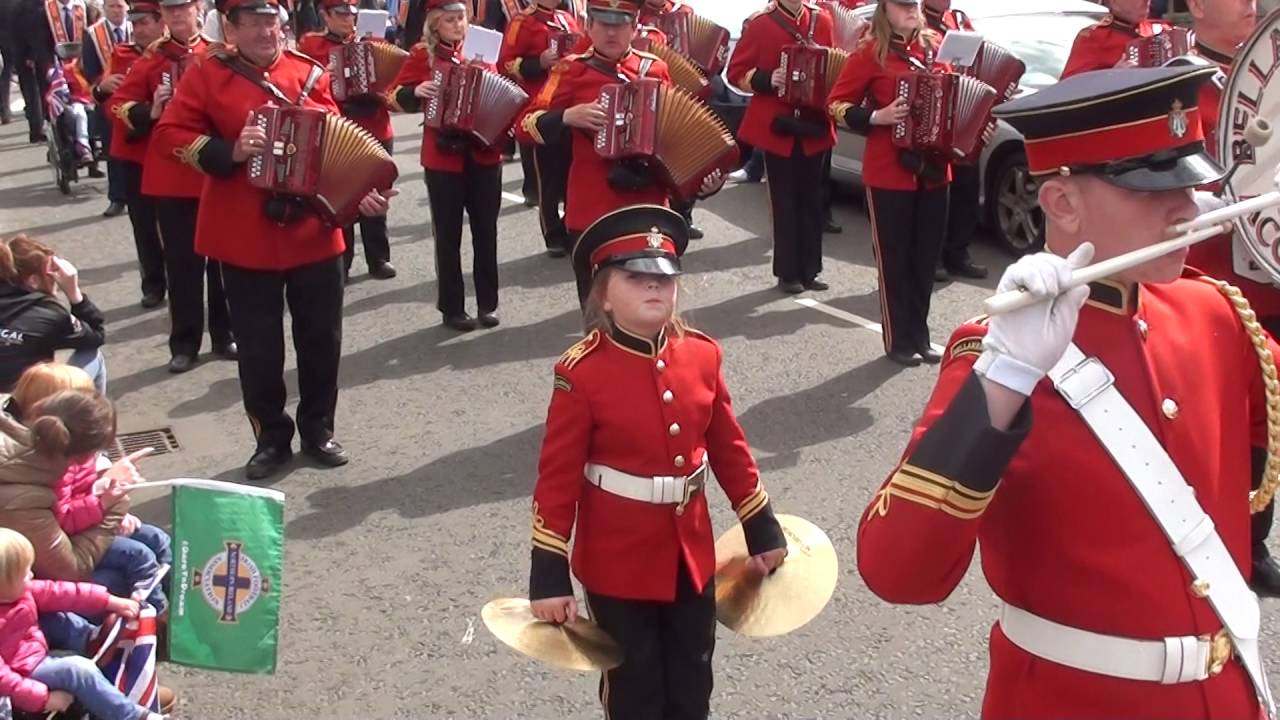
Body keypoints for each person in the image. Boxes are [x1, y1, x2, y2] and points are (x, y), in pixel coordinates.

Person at [857, 65, 1275, 719]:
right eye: (1153, 189)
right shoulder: (998, 353)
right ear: (1061, 204)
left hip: (1228, 693)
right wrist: (1007, 379)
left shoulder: (1212, 313)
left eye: (1192, 184)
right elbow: (897, 571)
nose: (1188, 208)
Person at [529, 205, 788, 720]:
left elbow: (728, 447)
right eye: (635, 278)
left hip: (689, 554)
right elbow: (557, 477)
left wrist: (760, 524)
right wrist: (548, 570)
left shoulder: (702, 355)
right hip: (616, 560)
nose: (655, 289)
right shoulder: (581, 372)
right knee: (635, 688)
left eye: (665, 280)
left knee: (694, 678)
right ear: (603, 293)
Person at [152, 0, 396, 480]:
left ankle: (319, 429)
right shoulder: (207, 74)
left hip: (313, 231)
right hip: (246, 233)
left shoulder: (308, 73)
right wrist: (231, 150)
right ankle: (270, 437)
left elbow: (334, 142)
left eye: (274, 22)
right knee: (261, 348)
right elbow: (168, 134)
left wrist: (360, 197)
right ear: (231, 28)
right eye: (257, 23)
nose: (269, 31)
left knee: (321, 339)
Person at [515, 0, 723, 305]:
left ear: (634, 26)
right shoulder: (570, 68)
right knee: (598, 305)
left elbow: (671, 135)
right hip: (595, 204)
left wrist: (701, 183)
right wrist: (566, 116)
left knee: (649, 303)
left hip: (649, 204)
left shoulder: (656, 68)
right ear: (589, 26)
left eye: (620, 24)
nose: (611, 32)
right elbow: (524, 125)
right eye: (603, 23)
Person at [1180, 0, 1279, 593]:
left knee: (1266, 422)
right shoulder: (1176, 78)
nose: (1252, 6)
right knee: (1207, 422)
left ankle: (1251, 540)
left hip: (1270, 276)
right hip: (1212, 284)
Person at [111, 0, 238, 375]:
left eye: (184, 9)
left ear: (198, 11)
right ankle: (184, 342)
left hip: (215, 171)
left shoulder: (220, 56)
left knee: (222, 261)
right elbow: (119, 105)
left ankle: (224, 332)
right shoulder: (152, 58)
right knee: (182, 263)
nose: (178, 16)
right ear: (163, 17)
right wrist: (150, 111)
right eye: (170, 12)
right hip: (173, 174)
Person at [3, 365, 169, 633]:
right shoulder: (28, 485)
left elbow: (69, 507)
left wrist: (103, 490)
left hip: (62, 542)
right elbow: (68, 567)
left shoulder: (48, 457)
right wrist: (112, 500)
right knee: (131, 565)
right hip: (37, 572)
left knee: (153, 539)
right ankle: (153, 628)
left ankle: (177, 615)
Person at [827, 0, 948, 366]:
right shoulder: (870, 53)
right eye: (903, 5)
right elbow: (836, 105)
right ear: (885, 10)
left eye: (914, 4)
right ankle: (898, 341)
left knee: (926, 258)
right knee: (895, 259)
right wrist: (877, 116)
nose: (911, 9)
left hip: (935, 171)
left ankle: (921, 336)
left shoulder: (937, 46)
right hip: (889, 171)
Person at [389, 0, 502, 331]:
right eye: (450, 20)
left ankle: (488, 303)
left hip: (483, 153)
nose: (458, 25)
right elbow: (392, 95)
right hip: (443, 157)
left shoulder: (482, 47)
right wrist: (415, 92)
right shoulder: (422, 54)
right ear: (435, 24)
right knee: (448, 234)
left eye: (461, 18)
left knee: (486, 231)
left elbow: (501, 87)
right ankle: (452, 307)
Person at [727, 0, 836, 295]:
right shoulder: (761, 24)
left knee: (812, 200)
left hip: (813, 124)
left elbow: (836, 63)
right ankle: (788, 273)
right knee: (785, 201)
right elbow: (735, 72)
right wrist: (766, 78)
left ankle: (810, 269)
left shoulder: (822, 21)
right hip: (777, 124)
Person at [0, 528, 160, 720]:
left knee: (55, 614)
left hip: (26, 653)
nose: (33, 575)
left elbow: (63, 593)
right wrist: (44, 699)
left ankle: (92, 640)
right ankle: (132, 716)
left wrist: (109, 601)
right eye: (25, 574)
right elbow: (4, 680)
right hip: (21, 673)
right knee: (77, 670)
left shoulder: (18, 593)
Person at [298, 0, 398, 282]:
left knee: (377, 194)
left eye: (351, 14)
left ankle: (378, 257)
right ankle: (343, 259)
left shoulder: (370, 40)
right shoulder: (311, 46)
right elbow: (301, 84)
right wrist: (325, 76)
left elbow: (392, 82)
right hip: (338, 128)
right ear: (325, 16)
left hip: (375, 125)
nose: (348, 20)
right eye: (341, 14)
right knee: (340, 196)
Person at [498, 0, 580, 257]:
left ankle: (572, 225)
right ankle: (553, 234)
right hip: (539, 105)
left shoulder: (567, 19)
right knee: (548, 179)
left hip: (569, 102)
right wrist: (539, 62)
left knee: (571, 172)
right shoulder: (522, 22)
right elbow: (506, 63)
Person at [104, 0, 166, 310]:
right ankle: (153, 283)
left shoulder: (172, 54)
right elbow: (111, 102)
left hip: (167, 152)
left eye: (145, 23)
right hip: (133, 150)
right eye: (135, 23)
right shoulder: (122, 54)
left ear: (161, 22)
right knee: (142, 223)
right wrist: (101, 90)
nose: (138, 29)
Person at [922, 0, 985, 281]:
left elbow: (978, 57)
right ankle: (933, 257)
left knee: (967, 186)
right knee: (937, 193)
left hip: (962, 114)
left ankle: (958, 252)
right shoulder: (916, 20)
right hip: (934, 113)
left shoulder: (958, 20)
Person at [0, 235, 106, 393]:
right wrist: (74, 294)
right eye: (52, 272)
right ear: (33, 280)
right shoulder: (47, 311)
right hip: (27, 405)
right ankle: (93, 415)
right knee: (91, 355)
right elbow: (95, 336)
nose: (56, 278)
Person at [81, 0, 131, 217]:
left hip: (138, 96)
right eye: (111, 6)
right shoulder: (93, 33)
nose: (116, 11)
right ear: (104, 9)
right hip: (109, 99)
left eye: (120, 6)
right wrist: (103, 84)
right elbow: (89, 69)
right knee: (114, 149)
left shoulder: (137, 26)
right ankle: (117, 198)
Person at [1060, 0, 1171, 79]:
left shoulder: (1161, 29)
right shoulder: (1094, 36)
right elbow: (1070, 88)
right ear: (1113, 2)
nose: (1147, 1)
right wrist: (1113, 77)